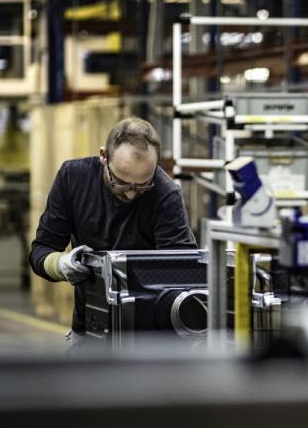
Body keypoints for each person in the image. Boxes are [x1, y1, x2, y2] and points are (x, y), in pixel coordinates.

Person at [29, 117, 197, 345]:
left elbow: (182, 272)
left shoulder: (165, 195)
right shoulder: (73, 179)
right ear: (103, 156)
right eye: (122, 183)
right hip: (91, 328)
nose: (131, 194)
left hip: (150, 338)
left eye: (142, 186)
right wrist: (62, 264)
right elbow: (41, 250)